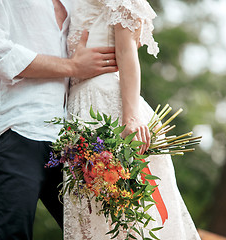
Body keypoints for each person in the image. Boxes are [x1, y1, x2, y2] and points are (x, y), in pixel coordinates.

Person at [0, 0, 118, 239]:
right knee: (11, 234)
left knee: (97, 233)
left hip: (72, 139)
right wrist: (73, 66)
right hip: (17, 129)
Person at [64, 0, 202, 239]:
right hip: (80, 111)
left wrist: (131, 117)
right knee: (96, 219)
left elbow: (127, 52)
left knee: (130, 216)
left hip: (108, 106)